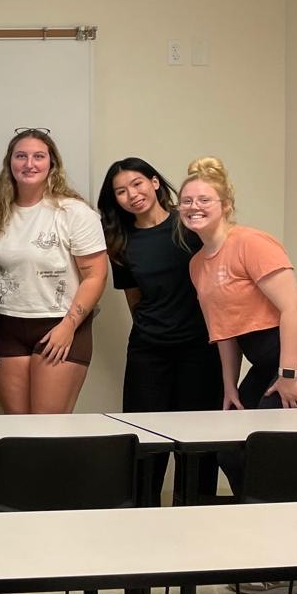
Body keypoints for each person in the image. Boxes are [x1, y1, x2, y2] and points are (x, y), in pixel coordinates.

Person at [179, 157, 297, 493]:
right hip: (267, 363)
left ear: (225, 206)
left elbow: (294, 308)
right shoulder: (198, 264)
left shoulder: (251, 243)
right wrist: (229, 386)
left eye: (204, 200)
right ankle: (253, 514)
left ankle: (283, 520)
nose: (194, 207)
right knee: (230, 449)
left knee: (264, 447)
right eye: (186, 201)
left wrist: (289, 374)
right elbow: (225, 331)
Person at [0, 128, 108, 415]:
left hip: (59, 325)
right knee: (18, 430)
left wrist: (68, 327)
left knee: (47, 431)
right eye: (21, 156)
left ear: (52, 164)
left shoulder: (74, 213)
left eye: (39, 156)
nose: (29, 163)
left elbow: (96, 276)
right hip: (7, 326)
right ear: (9, 163)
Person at [97, 158, 220, 414]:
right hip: (149, 347)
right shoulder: (119, 239)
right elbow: (134, 298)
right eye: (121, 191)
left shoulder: (189, 225)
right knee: (146, 436)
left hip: (200, 343)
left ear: (154, 182)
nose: (132, 194)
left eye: (137, 183)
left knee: (199, 436)